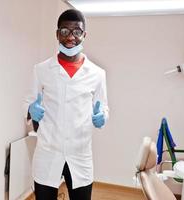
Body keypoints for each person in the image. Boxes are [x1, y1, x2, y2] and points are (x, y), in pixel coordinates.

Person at [24, 9, 109, 200]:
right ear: (57, 34)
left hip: (80, 154)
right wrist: (31, 110)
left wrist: (102, 116)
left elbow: (103, 106)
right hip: (48, 152)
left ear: (84, 35)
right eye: (64, 31)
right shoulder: (41, 70)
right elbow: (28, 101)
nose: (71, 37)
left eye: (77, 32)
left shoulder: (97, 73)